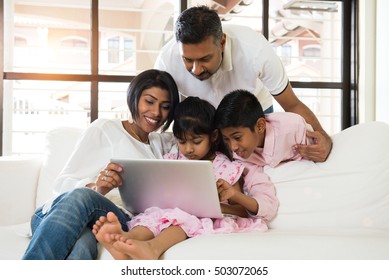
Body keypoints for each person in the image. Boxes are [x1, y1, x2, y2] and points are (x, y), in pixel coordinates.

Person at [92, 96, 278, 260]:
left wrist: (215, 205)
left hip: (199, 218)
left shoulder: (227, 168)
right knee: (155, 216)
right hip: (170, 212)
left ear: (213, 136)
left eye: (196, 142)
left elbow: (242, 211)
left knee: (184, 218)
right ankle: (126, 240)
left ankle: (152, 248)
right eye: (182, 142)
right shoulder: (172, 161)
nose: (188, 149)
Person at [21, 69, 180, 260]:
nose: (156, 112)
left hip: (118, 220)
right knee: (82, 243)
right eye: (149, 101)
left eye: (165, 106)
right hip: (61, 213)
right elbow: (62, 184)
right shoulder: (105, 129)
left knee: (84, 240)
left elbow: (196, 127)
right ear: (134, 97)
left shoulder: (161, 143)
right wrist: (98, 187)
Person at [154, 5, 332, 162]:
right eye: (188, 59)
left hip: (251, 111)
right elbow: (155, 113)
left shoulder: (256, 51)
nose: (196, 69)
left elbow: (292, 104)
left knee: (258, 167)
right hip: (204, 120)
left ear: (222, 42)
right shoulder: (166, 60)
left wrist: (323, 138)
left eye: (205, 59)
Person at [215, 89, 312, 167]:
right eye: (226, 139)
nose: (233, 147)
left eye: (237, 137)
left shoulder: (294, 128)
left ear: (260, 126)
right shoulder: (229, 152)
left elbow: (317, 153)